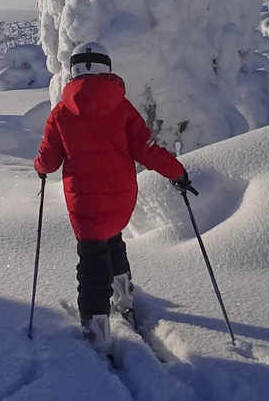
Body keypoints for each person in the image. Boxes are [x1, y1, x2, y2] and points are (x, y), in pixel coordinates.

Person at [33, 41, 193, 352]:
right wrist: (177, 173)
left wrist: (39, 167)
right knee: (114, 238)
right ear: (107, 69)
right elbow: (147, 150)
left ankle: (97, 330)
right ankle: (123, 296)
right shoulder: (123, 108)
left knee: (91, 262)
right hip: (120, 198)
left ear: (73, 70)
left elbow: (49, 160)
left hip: (84, 201)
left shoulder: (62, 112)